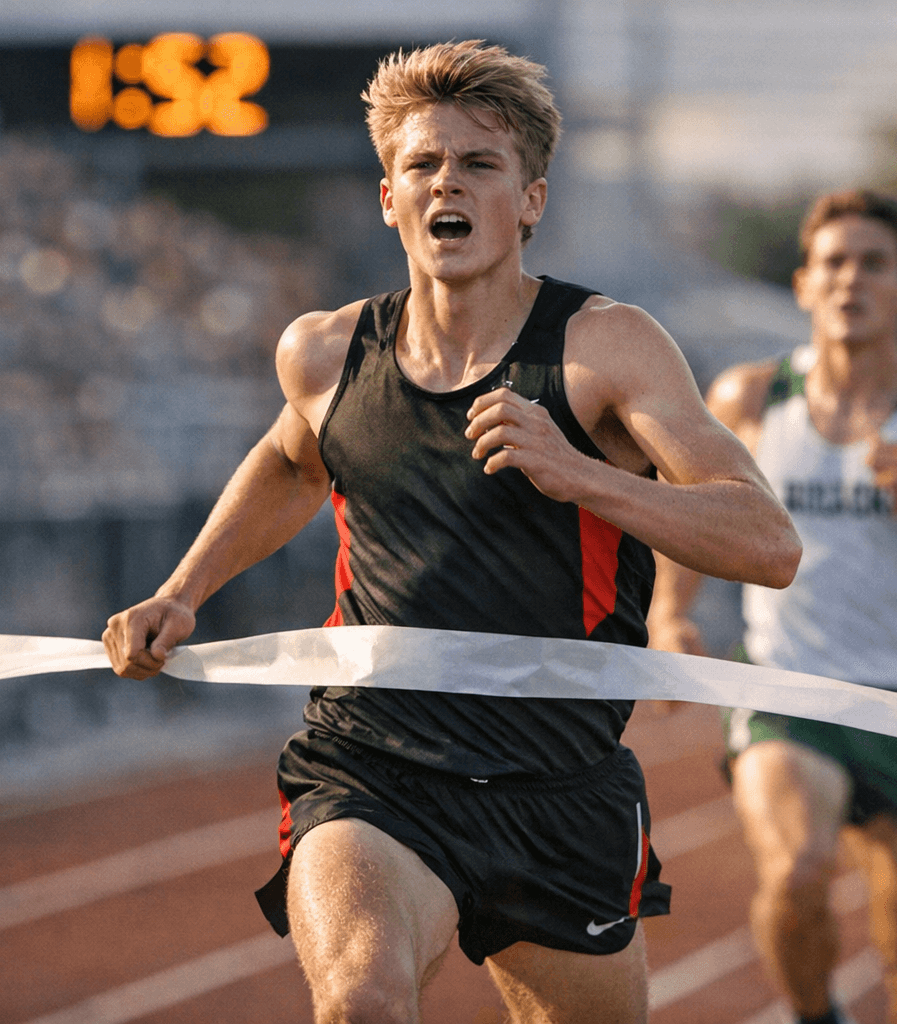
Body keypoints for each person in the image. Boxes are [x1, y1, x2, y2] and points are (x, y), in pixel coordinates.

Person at [102, 41, 801, 1024]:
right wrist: (182, 591)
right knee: (363, 1000)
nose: (448, 183)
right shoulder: (326, 351)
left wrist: (579, 473)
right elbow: (292, 461)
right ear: (389, 197)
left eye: (479, 163)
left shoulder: (605, 347)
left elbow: (767, 542)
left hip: (559, 784)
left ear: (531, 200)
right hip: (374, 768)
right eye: (423, 164)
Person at [647, 189, 897, 1024]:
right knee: (797, 873)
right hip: (787, 689)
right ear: (803, 284)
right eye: (833, 262)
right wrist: (669, 613)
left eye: (874, 263)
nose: (850, 280)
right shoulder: (751, 399)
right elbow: (689, 513)